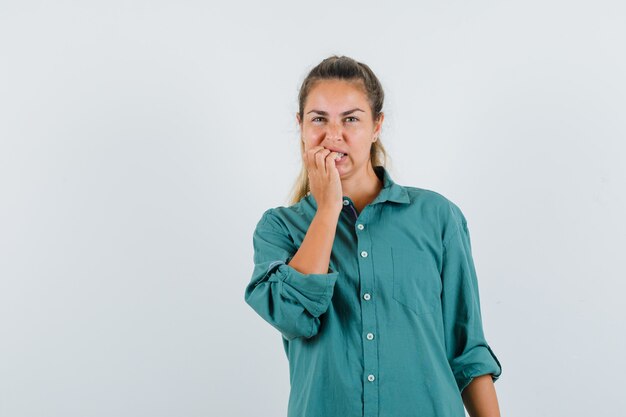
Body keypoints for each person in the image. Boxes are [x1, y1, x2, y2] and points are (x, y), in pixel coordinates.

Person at [244, 55, 503, 417]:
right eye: (319, 119)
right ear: (301, 125)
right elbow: (292, 317)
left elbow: (467, 352)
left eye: (351, 119)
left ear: (377, 125)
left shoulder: (437, 217)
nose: (333, 136)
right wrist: (328, 209)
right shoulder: (279, 229)